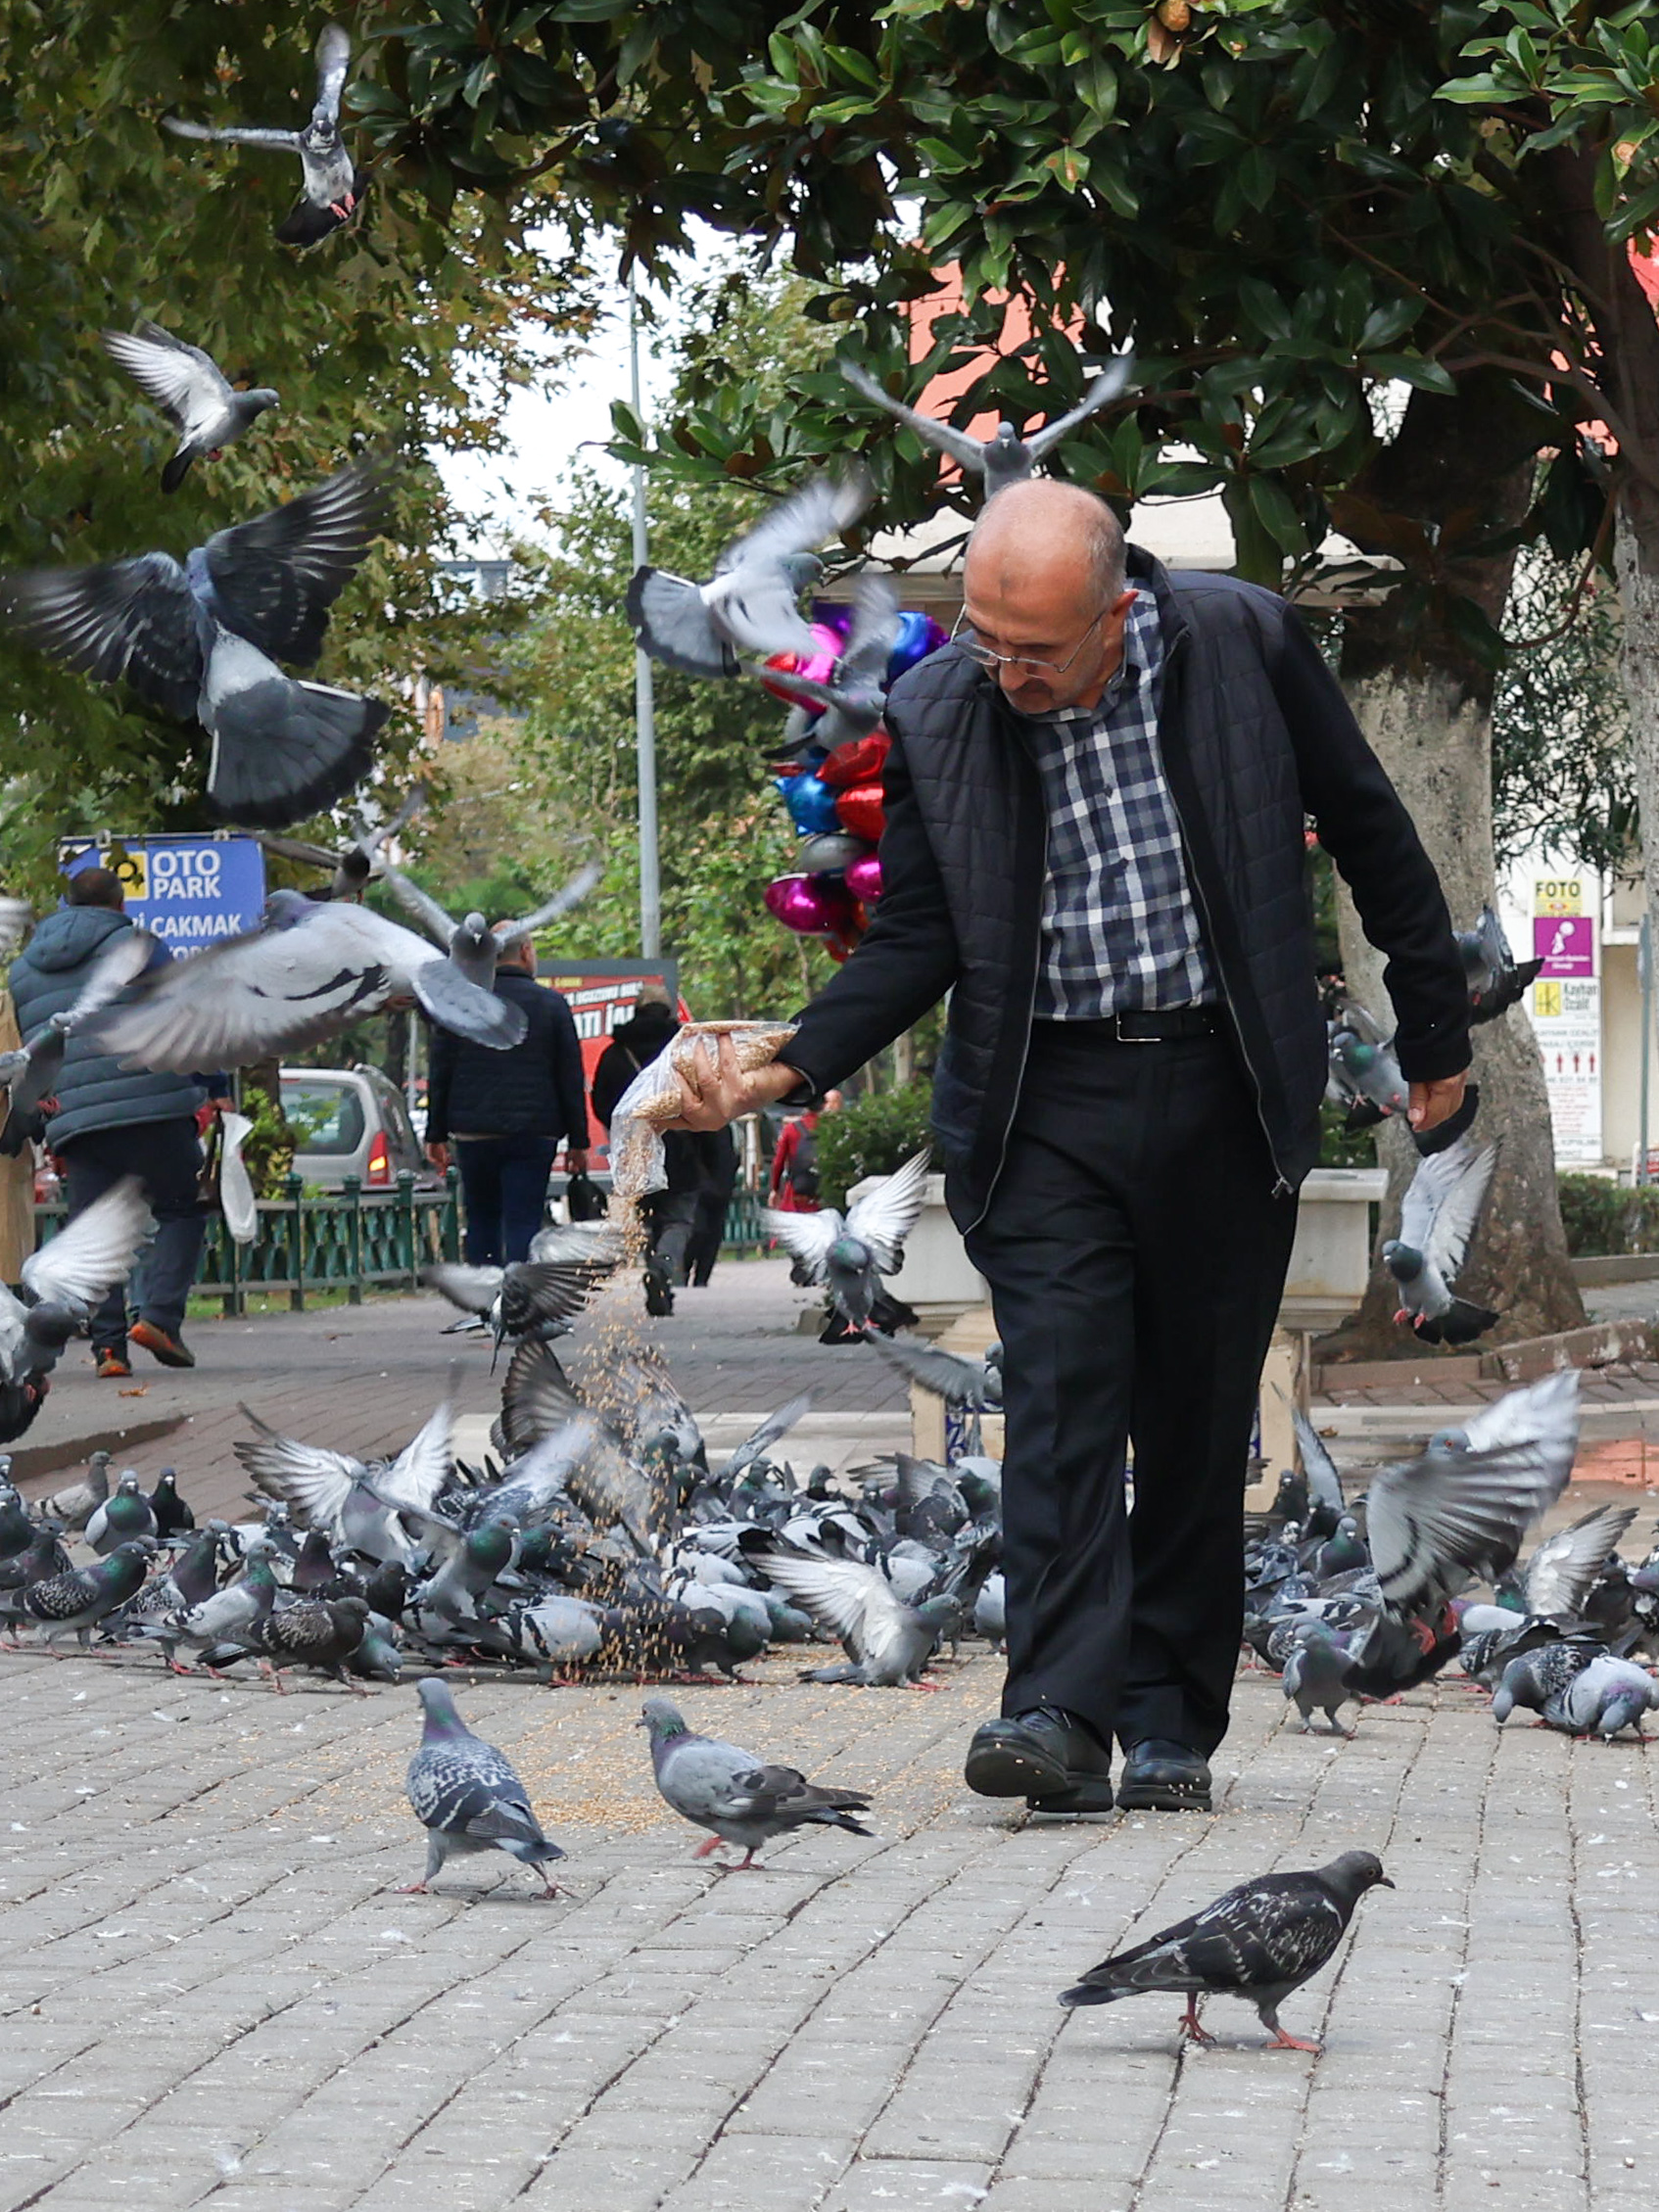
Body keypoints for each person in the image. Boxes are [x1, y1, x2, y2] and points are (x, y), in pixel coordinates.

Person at [669, 479, 1470, 1817]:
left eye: (1034, 647)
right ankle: (1051, 1708)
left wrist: (1434, 1026)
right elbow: (918, 933)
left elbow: (1373, 828)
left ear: (1118, 608)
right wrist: (788, 1060)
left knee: (1196, 1415)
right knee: (1058, 1402)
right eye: (986, 637)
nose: (1006, 670)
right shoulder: (937, 713)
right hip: (1042, 1100)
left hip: (1223, 1086)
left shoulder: (1241, 645)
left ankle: (1166, 1724)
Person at [9, 868, 227, 1375]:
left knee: (92, 1232)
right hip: (154, 1102)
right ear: (120, 904)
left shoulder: (23, 970)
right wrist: (214, 1086)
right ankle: (158, 1318)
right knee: (182, 1207)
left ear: (66, 903)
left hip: (78, 1118)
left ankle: (108, 1348)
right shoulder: (140, 946)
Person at [424, 933, 589, 1267]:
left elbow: (441, 1070)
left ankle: (486, 1303)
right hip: (534, 1133)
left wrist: (436, 1133)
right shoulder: (551, 1004)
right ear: (526, 953)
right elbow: (569, 1076)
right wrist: (578, 1141)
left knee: (481, 1218)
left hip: (474, 1132)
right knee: (523, 1220)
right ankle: (519, 1305)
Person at [591, 984, 722, 1317]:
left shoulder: (615, 1054)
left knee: (649, 1216)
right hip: (681, 1148)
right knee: (677, 1218)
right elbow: (709, 1100)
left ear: (636, 1009)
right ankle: (662, 1270)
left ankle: (656, 1273)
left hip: (635, 1149)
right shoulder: (685, 1052)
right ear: (669, 1012)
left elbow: (602, 1102)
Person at [766, 1088, 844, 1210]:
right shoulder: (832, 1129)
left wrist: (775, 1189)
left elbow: (778, 1163)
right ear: (824, 1105)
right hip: (824, 1200)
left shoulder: (791, 1129)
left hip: (796, 1199)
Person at [684, 1122, 738, 1289]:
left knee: (706, 1233)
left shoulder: (722, 1127)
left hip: (710, 1188)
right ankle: (692, 1275)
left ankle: (698, 1276)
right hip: (709, 1188)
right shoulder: (722, 1127)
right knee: (702, 1233)